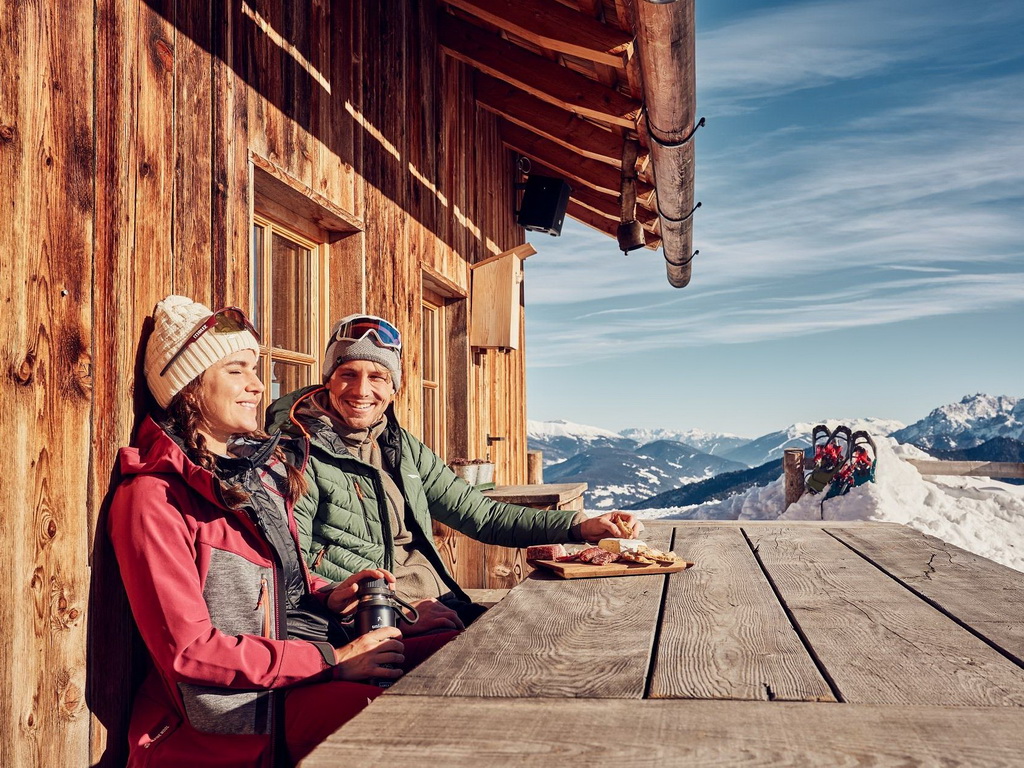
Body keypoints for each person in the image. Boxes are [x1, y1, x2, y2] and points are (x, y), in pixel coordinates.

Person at [108, 297, 427, 768]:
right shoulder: (154, 499)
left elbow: (275, 581)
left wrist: (329, 594)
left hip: (287, 676)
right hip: (229, 724)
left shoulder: (250, 476)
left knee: (448, 652)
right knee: (399, 724)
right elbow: (190, 652)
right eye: (237, 370)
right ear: (189, 387)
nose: (258, 386)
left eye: (255, 370)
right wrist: (331, 660)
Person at [267, 313, 643, 633]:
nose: (362, 390)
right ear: (329, 378)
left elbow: (483, 515)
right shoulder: (294, 450)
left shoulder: (398, 445)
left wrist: (579, 526)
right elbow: (293, 563)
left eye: (378, 377)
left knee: (571, 627)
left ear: (395, 387)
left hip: (437, 599)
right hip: (376, 618)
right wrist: (391, 610)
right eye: (348, 373)